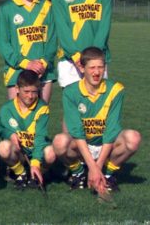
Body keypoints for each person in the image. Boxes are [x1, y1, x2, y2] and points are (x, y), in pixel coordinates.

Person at [53, 47, 141, 192]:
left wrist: (97, 166)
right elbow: (77, 132)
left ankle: (107, 174)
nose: (96, 72)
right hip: (82, 146)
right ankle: (79, 173)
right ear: (82, 68)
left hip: (105, 145)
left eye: (100, 67)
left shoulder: (116, 90)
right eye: (92, 67)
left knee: (133, 138)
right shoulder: (70, 92)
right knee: (59, 141)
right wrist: (92, 167)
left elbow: (112, 130)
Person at [0, 0, 56, 103]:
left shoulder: (47, 7)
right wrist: (25, 63)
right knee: (18, 122)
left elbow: (52, 40)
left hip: (44, 73)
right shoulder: (6, 9)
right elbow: (3, 43)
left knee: (40, 120)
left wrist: (42, 63)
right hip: (16, 73)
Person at [0, 70, 56, 189]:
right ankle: (20, 173)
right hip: (20, 152)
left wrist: (35, 163)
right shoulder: (6, 109)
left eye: (34, 92)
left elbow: (40, 137)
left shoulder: (42, 108)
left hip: (36, 150)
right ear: (17, 89)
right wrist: (10, 135)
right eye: (26, 91)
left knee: (51, 153)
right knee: (3, 147)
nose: (30, 96)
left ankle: (38, 174)